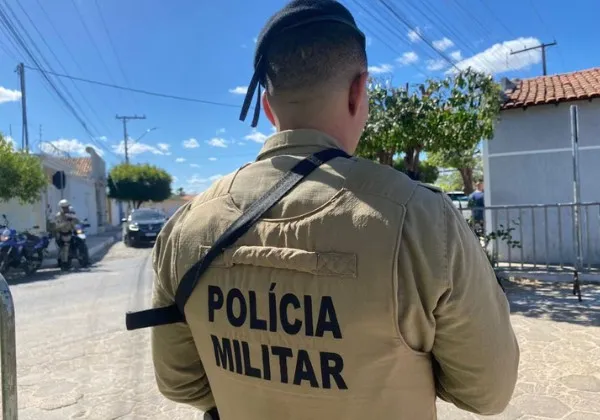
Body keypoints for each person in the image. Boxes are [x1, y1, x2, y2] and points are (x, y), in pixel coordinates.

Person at [149, 1, 519, 419]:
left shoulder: (186, 227)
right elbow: (487, 392)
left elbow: (180, 382)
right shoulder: (420, 219)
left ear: (268, 107)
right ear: (359, 91)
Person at [55, 199, 79, 266]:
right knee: (64, 248)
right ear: (61, 208)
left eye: (67, 207)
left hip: (69, 233)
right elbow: (57, 226)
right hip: (61, 233)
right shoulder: (58, 215)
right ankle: (63, 262)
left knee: (77, 243)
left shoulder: (70, 214)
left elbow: (76, 222)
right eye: (64, 207)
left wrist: (74, 221)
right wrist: (66, 222)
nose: (66, 209)